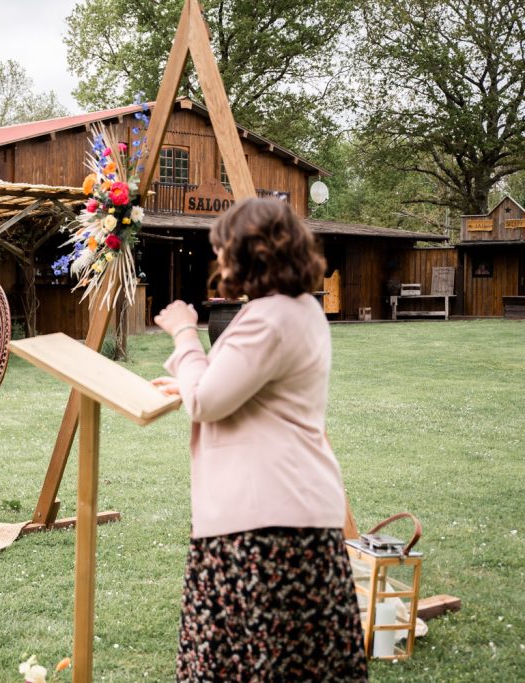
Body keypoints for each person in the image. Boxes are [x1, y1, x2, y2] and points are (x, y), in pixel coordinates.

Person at [151, 198, 368, 681]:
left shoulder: (268, 317)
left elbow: (208, 402)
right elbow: (245, 387)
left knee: (257, 666)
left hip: (266, 531)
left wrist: (186, 335)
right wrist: (190, 379)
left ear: (252, 255)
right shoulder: (299, 311)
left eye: (225, 250)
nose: (220, 262)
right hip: (291, 518)